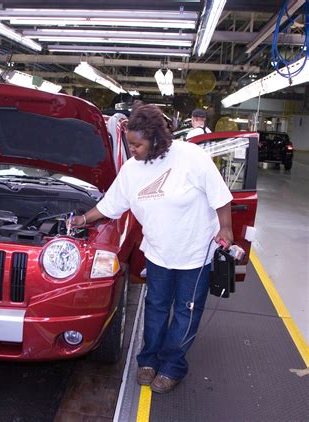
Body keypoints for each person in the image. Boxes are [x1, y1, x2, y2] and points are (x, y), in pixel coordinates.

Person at [68, 104, 233, 394]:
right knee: (155, 307)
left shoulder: (191, 157)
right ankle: (148, 360)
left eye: (137, 144)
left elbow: (220, 196)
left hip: (194, 254)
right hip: (158, 253)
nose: (132, 149)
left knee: (186, 312)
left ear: (156, 139)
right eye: (129, 143)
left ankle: (172, 367)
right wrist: (82, 219)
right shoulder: (132, 169)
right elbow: (111, 205)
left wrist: (226, 228)